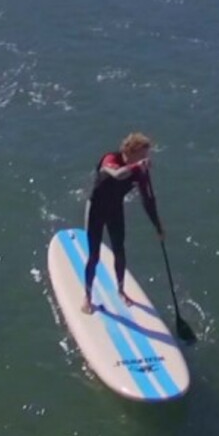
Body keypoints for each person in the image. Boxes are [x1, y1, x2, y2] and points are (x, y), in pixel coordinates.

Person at [82, 132, 163, 314]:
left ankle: (120, 290)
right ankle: (87, 297)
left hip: (115, 211)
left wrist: (158, 226)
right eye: (143, 154)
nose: (146, 159)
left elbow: (147, 200)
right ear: (131, 151)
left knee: (120, 251)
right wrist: (138, 166)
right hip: (96, 210)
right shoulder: (111, 159)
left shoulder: (138, 171)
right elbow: (118, 174)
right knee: (94, 256)